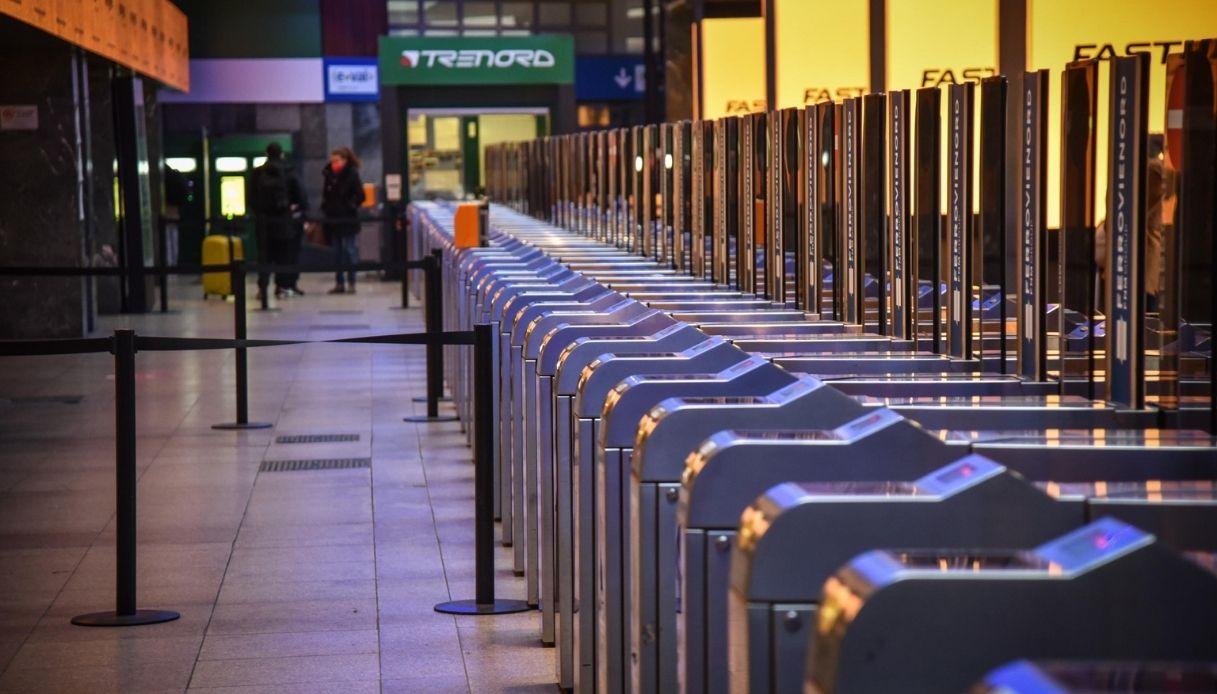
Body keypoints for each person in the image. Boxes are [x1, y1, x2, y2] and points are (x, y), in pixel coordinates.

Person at [250, 142, 306, 301]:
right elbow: (301, 196)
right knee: (284, 255)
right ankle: (281, 287)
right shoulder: (289, 171)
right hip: (284, 221)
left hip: (263, 222)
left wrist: (260, 212)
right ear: (281, 154)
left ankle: (262, 288)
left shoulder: (257, 173)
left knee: (264, 257)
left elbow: (251, 198)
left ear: (266, 153)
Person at [322, 146, 366, 294]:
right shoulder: (329, 175)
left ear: (345, 161)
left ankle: (351, 282)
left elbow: (360, 195)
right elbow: (326, 195)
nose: (334, 164)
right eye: (332, 161)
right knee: (337, 253)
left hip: (348, 218)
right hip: (334, 219)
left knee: (349, 250)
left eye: (337, 161)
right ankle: (339, 283)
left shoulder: (352, 174)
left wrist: (350, 205)